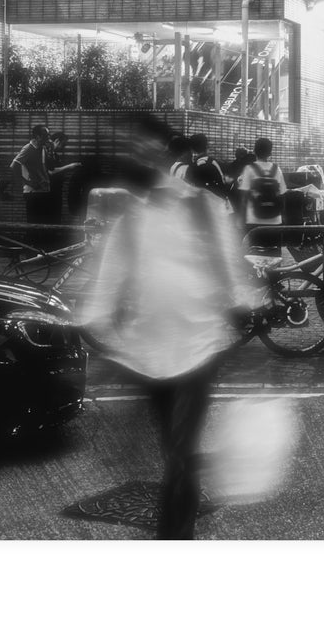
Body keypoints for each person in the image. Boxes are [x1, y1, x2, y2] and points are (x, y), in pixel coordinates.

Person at [77, 114, 260, 540]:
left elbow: (229, 266)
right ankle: (191, 491)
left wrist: (247, 302)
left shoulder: (203, 207)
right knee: (174, 451)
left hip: (199, 346)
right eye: (126, 148)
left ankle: (173, 535)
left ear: (161, 152)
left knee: (178, 452)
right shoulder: (131, 217)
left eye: (140, 146)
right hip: (146, 352)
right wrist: (91, 323)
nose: (131, 155)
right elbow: (109, 278)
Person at [238, 136, 288, 251]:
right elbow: (282, 195)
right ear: (270, 152)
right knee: (274, 254)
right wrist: (283, 218)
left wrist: (240, 219)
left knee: (254, 255)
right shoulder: (277, 169)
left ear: (255, 151)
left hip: (254, 221)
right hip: (275, 220)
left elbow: (243, 198)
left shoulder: (249, 169)